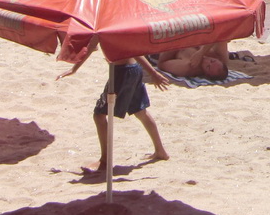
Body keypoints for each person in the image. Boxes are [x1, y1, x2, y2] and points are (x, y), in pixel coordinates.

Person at [56, 40, 169, 175]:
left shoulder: (107, 24)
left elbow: (130, 49)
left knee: (99, 115)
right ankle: (160, 151)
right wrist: (74, 68)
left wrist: (153, 73)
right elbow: (94, 46)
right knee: (140, 111)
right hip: (133, 69)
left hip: (122, 72)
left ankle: (105, 160)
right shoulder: (110, 23)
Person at [156, 42, 229, 81]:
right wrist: (202, 52)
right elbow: (221, 33)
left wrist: (179, 40)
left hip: (166, 43)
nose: (207, 61)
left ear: (205, 74)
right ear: (218, 60)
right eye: (212, 61)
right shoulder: (220, 57)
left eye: (208, 67)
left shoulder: (188, 67)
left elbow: (161, 63)